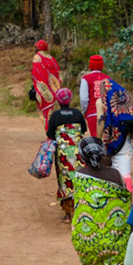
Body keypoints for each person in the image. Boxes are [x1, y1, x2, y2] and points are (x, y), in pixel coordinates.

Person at [68, 136, 132, 265]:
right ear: (103, 154)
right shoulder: (114, 175)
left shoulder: (78, 174)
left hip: (87, 237)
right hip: (114, 237)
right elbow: (124, 200)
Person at [46, 88, 88, 220]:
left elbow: (50, 135)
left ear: (58, 101)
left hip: (63, 154)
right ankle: (81, 210)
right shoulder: (77, 114)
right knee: (79, 177)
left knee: (65, 181)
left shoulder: (55, 116)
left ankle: (68, 214)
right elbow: (84, 130)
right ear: (70, 100)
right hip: (78, 153)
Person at [30, 39, 63, 125]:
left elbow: (35, 73)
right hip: (54, 90)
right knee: (53, 112)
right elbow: (58, 73)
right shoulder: (51, 58)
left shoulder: (37, 57)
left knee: (45, 112)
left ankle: (49, 131)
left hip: (43, 89)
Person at [81, 55, 112, 139]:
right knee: (106, 139)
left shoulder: (86, 79)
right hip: (106, 114)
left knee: (96, 140)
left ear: (90, 66)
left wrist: (84, 112)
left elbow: (84, 99)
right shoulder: (108, 79)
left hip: (92, 113)